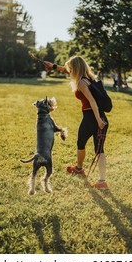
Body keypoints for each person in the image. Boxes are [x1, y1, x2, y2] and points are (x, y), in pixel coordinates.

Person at [43, 56, 109, 190]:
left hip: (92, 117)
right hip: (101, 117)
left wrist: (98, 120)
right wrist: (53, 66)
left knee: (81, 143)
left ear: (76, 68)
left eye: (71, 68)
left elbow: (92, 101)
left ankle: (79, 169)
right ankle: (102, 181)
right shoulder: (90, 77)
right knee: (99, 149)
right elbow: (67, 70)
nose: (69, 70)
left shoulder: (81, 83)